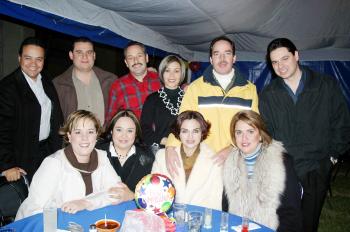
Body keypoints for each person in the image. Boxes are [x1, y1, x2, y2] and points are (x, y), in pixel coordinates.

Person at [259, 38, 350, 232]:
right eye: (274, 62)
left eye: (284, 59)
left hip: (315, 167)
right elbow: (267, 133)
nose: (280, 66)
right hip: (284, 168)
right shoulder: (269, 94)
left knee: (308, 223)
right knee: (284, 222)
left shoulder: (325, 85)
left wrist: (332, 156)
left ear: (296, 55)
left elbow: (342, 121)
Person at [165, 36, 259, 176]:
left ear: (234, 58)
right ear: (210, 59)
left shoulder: (249, 89)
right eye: (217, 54)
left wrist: (232, 149)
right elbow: (182, 122)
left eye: (227, 53)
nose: (222, 59)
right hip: (204, 163)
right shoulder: (196, 88)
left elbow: (254, 128)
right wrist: (170, 147)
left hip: (238, 162)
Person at [15, 110, 133, 220]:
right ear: (69, 136)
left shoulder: (102, 157)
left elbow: (117, 193)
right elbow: (34, 210)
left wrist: (85, 203)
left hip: (87, 223)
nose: (84, 138)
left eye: (90, 132)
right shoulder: (53, 164)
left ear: (96, 135)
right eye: (78, 132)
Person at [222, 110, 302, 231]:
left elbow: (291, 212)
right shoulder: (230, 163)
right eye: (239, 132)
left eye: (250, 131)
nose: (244, 138)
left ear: (260, 135)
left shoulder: (280, 162)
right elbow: (226, 207)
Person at [0, 37, 63, 183]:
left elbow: (54, 117)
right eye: (28, 58)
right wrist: (7, 165)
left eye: (39, 59)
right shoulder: (7, 88)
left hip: (47, 152)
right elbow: (2, 131)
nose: (33, 64)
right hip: (21, 158)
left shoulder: (46, 81)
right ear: (19, 58)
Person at [152, 110, 223, 210]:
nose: (190, 137)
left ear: (202, 133)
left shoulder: (215, 160)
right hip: (168, 218)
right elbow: (154, 194)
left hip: (198, 219)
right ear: (178, 133)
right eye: (185, 131)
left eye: (195, 131)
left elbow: (215, 201)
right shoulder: (161, 157)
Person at [53, 37, 117, 125]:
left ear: (94, 55)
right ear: (71, 55)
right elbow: (55, 120)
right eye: (79, 52)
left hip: (105, 137)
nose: (85, 56)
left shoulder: (111, 81)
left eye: (89, 52)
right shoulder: (58, 85)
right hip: (73, 138)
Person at [96, 109, 154, 192]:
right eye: (119, 130)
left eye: (129, 131)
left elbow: (149, 193)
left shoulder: (147, 157)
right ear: (112, 131)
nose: (124, 135)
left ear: (136, 133)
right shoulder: (97, 152)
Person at [106, 41, 161, 121]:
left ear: (146, 58)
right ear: (126, 63)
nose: (136, 61)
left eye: (139, 56)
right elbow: (110, 120)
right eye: (130, 58)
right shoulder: (117, 86)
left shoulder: (161, 80)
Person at [140, 55, 186, 150]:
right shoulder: (152, 99)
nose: (172, 75)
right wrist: (167, 141)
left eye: (176, 71)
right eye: (167, 70)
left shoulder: (189, 97)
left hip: (187, 148)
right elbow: (144, 130)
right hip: (162, 150)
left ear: (182, 74)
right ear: (162, 73)